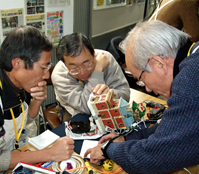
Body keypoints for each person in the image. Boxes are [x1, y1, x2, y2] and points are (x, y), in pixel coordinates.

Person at [84, 20, 199, 174]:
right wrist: (129, 137)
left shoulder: (191, 79)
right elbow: (175, 128)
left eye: (141, 79)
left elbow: (152, 159)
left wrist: (107, 148)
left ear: (158, 63)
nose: (148, 88)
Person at [0, 26, 74, 171]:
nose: (47, 75)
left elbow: (25, 120)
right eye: (43, 67)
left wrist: (37, 101)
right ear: (17, 63)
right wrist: (49, 154)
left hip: (14, 152)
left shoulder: (16, 81)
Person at [51, 32, 130, 122]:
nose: (83, 72)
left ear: (93, 53)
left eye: (87, 64)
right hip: (74, 110)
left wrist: (110, 95)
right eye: (74, 68)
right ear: (65, 64)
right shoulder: (60, 75)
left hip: (111, 107)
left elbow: (125, 94)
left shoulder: (106, 58)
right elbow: (87, 107)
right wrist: (97, 71)